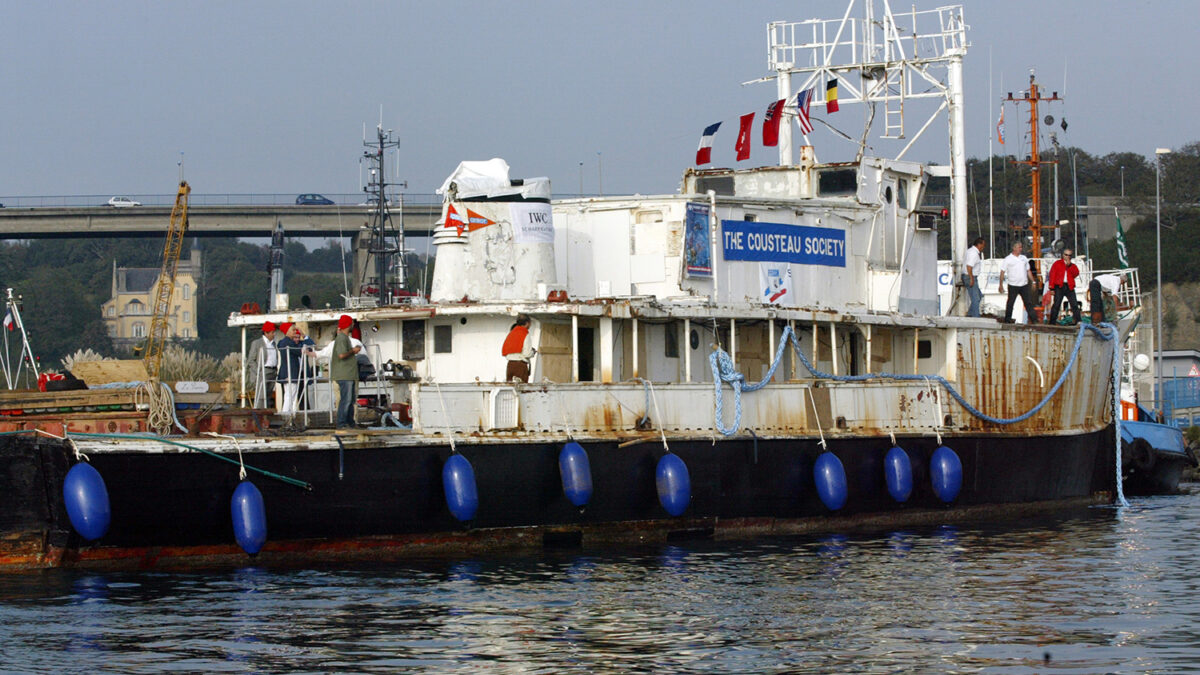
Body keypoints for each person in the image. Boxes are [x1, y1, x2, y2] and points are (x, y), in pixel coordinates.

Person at [328, 315, 361, 428]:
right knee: (346, 400)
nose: (353, 325)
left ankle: (350, 422)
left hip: (348, 374)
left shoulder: (344, 338)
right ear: (348, 324)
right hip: (344, 375)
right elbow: (341, 355)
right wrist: (354, 350)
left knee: (350, 400)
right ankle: (342, 423)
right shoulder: (342, 338)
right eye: (351, 323)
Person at [276, 322, 315, 419]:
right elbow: (300, 350)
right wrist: (306, 351)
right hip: (290, 373)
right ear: (288, 331)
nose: (295, 332)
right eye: (293, 330)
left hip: (291, 373)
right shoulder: (287, 342)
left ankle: (288, 417)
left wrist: (304, 336)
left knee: (290, 396)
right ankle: (285, 417)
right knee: (289, 396)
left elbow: (311, 345)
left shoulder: (284, 342)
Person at [998, 241, 1036, 323]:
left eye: (1021, 247)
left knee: (1028, 303)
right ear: (1014, 248)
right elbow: (1002, 272)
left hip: (1024, 284)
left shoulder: (1024, 258)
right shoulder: (1008, 259)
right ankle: (1007, 319)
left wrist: (1033, 282)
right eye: (1019, 247)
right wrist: (1000, 285)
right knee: (1010, 303)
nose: (1020, 249)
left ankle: (1034, 320)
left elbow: (1028, 270)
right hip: (1013, 285)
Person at [247, 321, 279, 408]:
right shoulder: (257, 343)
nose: (274, 334)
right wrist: (259, 371)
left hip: (273, 371)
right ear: (266, 333)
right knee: (261, 395)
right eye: (272, 332)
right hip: (263, 370)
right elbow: (251, 360)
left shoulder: (274, 344)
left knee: (269, 395)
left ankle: (266, 414)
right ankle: (259, 414)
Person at [1047, 248, 1082, 325]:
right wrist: (1051, 288)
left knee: (1074, 304)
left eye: (1069, 255)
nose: (1068, 256)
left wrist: (1069, 266)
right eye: (1066, 255)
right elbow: (1052, 275)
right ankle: (1052, 322)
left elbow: (1076, 273)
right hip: (1059, 286)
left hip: (1069, 286)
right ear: (1063, 255)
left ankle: (1078, 320)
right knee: (1056, 304)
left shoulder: (1073, 266)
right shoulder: (1057, 263)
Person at [501, 314, 536, 382]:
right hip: (520, 366)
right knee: (522, 390)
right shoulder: (525, 334)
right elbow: (527, 354)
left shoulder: (511, 333)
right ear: (527, 323)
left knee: (510, 389)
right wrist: (533, 352)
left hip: (510, 365)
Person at [962, 237, 985, 317]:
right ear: (979, 244)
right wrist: (971, 278)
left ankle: (970, 314)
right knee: (976, 298)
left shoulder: (970, 251)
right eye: (983, 245)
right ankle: (975, 316)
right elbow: (969, 267)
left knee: (979, 296)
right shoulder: (974, 254)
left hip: (969, 276)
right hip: (970, 276)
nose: (983, 247)